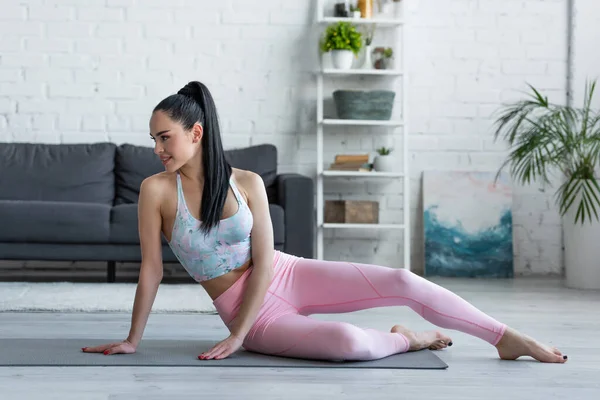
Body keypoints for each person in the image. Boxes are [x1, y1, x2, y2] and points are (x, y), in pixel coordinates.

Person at [82, 81, 567, 364]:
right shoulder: (156, 191)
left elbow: (267, 261)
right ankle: (409, 338)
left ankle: (506, 339)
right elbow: (152, 270)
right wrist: (134, 339)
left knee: (401, 278)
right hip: (245, 308)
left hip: (285, 274)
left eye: (164, 138)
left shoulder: (247, 182)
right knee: (346, 344)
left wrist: (236, 336)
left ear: (196, 132)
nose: (157, 149)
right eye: (153, 140)